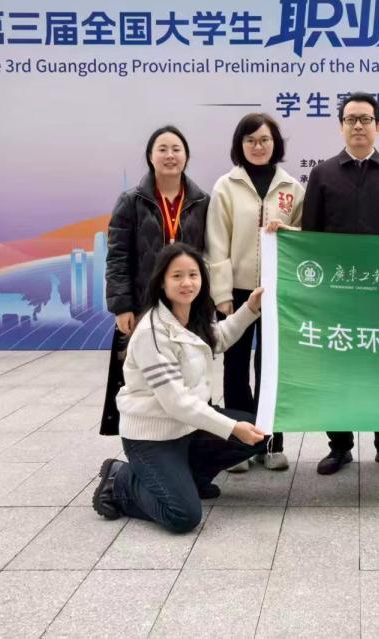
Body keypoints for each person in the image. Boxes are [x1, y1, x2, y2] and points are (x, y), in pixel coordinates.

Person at [92, 243, 268, 531]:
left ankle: (191, 479)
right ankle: (121, 481)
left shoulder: (194, 314)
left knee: (259, 432)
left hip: (188, 429)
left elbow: (220, 338)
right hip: (153, 437)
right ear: (162, 282)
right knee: (182, 515)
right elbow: (177, 403)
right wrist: (232, 427)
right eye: (177, 276)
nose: (187, 283)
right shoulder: (151, 331)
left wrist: (250, 308)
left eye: (193, 275)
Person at [302, 91, 379, 476]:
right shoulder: (322, 174)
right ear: (341, 126)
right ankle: (339, 447)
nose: (358, 126)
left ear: (378, 126)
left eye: (365, 119)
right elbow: (310, 238)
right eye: (351, 119)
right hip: (336, 295)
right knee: (337, 372)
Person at [206, 113, 304, 472]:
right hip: (236, 292)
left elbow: (305, 236)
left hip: (278, 291)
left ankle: (271, 443)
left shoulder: (292, 187)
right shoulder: (226, 186)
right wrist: (221, 294)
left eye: (264, 139)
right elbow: (216, 243)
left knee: (271, 366)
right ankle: (238, 447)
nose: (258, 146)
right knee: (234, 367)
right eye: (250, 140)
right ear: (240, 145)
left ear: (275, 143)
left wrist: (289, 230)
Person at [101, 126, 210, 436]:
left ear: (186, 156)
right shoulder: (131, 201)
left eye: (176, 149)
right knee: (142, 381)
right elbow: (117, 256)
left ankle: (190, 439)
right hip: (143, 303)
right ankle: (142, 443)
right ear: (150, 156)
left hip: (187, 305)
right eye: (162, 149)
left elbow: (209, 255)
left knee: (188, 374)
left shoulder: (201, 201)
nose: (170, 155)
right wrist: (122, 306)